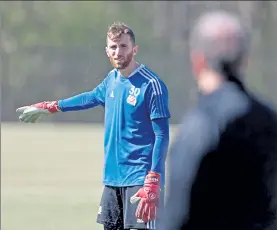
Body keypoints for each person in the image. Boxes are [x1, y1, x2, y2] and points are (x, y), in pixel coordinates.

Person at [16, 21, 171, 230]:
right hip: (112, 180)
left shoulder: (152, 85)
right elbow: (88, 98)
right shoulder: (111, 80)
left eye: (123, 46)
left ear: (135, 49)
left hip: (140, 180)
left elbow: (162, 136)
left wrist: (154, 179)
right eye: (113, 47)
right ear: (107, 50)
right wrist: (51, 107)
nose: (118, 52)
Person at [161, 10, 277, 230]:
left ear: (198, 61)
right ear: (245, 60)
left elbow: (178, 216)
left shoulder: (200, 128)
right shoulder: (270, 121)